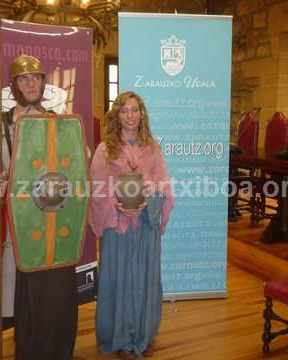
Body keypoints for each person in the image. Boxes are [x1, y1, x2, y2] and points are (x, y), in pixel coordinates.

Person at [0, 54, 78, 360]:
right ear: (14, 85)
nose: (32, 83)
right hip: (12, 221)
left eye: (37, 78)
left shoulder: (60, 122)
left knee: (49, 291)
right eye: (24, 79)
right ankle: (27, 351)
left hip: (51, 219)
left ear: (43, 83)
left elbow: (77, 165)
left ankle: (53, 349)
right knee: (18, 291)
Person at [89, 91, 173, 360]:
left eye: (134, 110)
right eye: (124, 110)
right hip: (118, 228)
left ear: (142, 114)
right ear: (117, 114)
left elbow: (163, 186)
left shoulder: (152, 148)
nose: (129, 116)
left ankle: (144, 334)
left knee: (145, 280)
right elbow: (97, 188)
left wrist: (148, 200)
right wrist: (117, 204)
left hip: (145, 228)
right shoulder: (105, 149)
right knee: (121, 281)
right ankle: (121, 337)